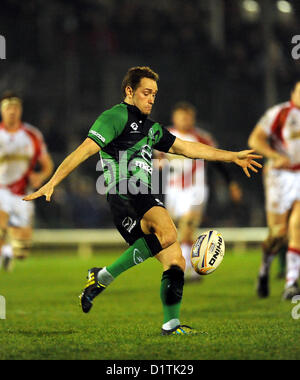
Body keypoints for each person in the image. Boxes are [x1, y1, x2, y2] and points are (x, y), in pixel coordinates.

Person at [24, 66, 262, 335]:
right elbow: (84, 151)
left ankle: (166, 323)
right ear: (129, 91)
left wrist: (232, 156)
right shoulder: (114, 117)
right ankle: (103, 277)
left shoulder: (152, 129)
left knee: (176, 262)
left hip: (140, 197)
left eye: (154, 94)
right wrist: (53, 181)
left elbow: (187, 148)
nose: (151, 99)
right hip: (125, 193)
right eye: (146, 93)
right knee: (169, 233)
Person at [157, 102, 242, 281]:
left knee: (188, 225)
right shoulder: (165, 136)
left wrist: (231, 183)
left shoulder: (202, 138)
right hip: (173, 189)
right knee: (174, 231)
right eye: (181, 116)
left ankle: (186, 270)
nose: (184, 120)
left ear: (192, 119)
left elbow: (218, 161)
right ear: (175, 118)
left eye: (188, 117)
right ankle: (188, 262)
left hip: (196, 189)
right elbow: (156, 159)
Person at [248, 81, 300, 299]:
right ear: (293, 93)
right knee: (278, 234)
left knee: (296, 226)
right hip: (280, 177)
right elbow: (255, 139)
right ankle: (264, 270)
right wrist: (275, 155)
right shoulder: (279, 113)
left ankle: (291, 283)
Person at [0, 91, 53, 271]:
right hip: (1, 189)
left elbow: (47, 165)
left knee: (21, 252)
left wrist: (40, 177)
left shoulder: (32, 135)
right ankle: (4, 237)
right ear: (2, 111)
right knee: (0, 223)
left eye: (15, 108)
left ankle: (7, 250)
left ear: (20, 110)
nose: (12, 111)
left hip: (24, 193)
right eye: (8, 108)